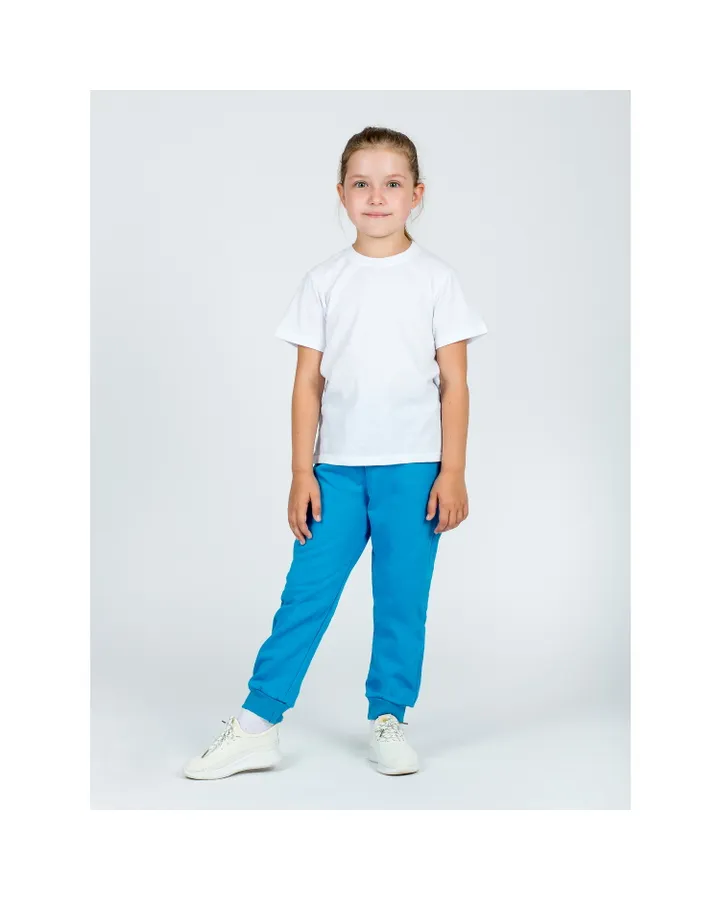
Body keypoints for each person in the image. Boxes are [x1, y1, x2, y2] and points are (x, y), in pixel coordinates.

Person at [183, 125, 488, 780]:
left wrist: (454, 471)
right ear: (342, 194)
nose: (376, 197)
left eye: (392, 184)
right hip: (337, 473)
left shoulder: (437, 281)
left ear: (416, 195)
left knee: (401, 599)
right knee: (306, 594)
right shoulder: (324, 281)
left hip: (414, 470)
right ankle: (258, 723)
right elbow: (307, 383)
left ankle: (389, 717)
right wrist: (302, 472)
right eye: (361, 184)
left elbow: (455, 383)